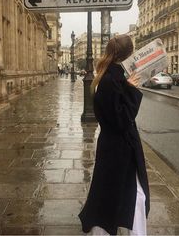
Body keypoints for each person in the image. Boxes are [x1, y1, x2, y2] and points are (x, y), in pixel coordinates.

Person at [78, 34, 150, 235]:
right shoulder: (112, 79)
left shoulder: (111, 75)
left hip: (114, 147)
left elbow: (115, 111)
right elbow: (122, 119)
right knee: (134, 196)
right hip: (119, 148)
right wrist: (133, 91)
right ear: (128, 53)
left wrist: (128, 87)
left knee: (112, 194)